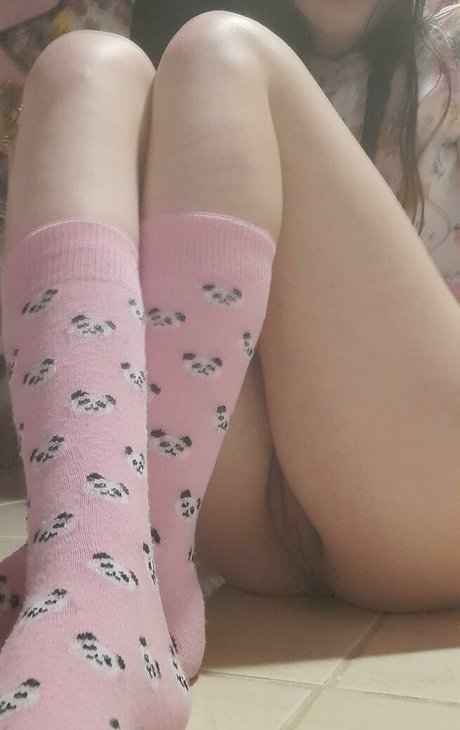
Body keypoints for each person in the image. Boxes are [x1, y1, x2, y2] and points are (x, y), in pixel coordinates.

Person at [0, 0, 460, 726]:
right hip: (240, 515)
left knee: (222, 52)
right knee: (83, 68)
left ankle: (99, 591)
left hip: (428, 491)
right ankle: (99, 570)